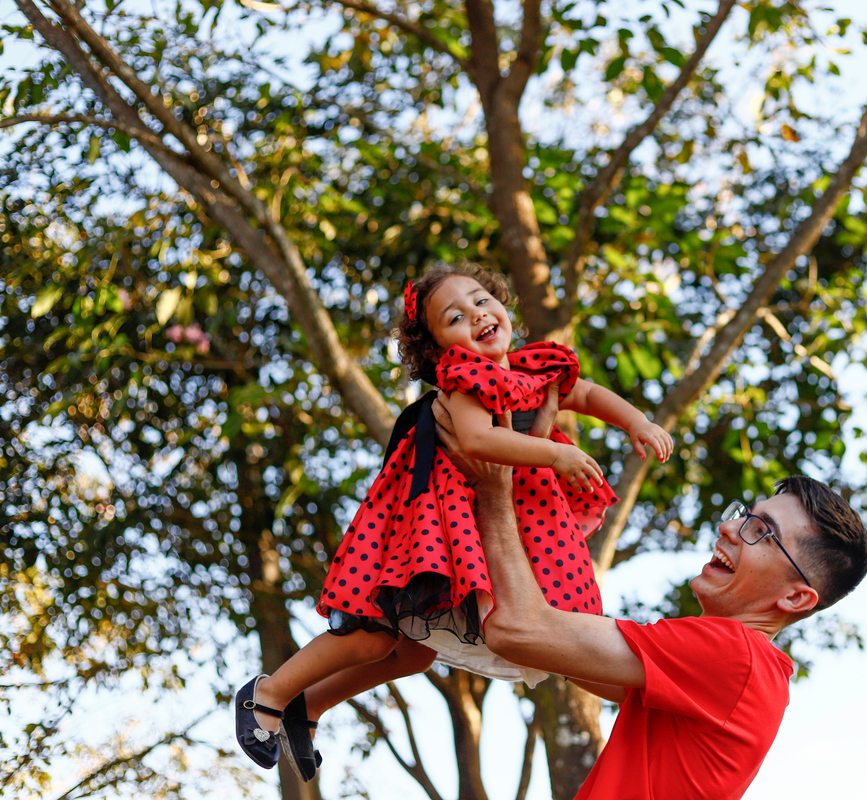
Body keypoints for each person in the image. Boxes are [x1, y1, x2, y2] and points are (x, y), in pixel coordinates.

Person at [234, 264, 673, 781]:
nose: (477, 315)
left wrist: (636, 421)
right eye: (456, 317)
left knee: (414, 653)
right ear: (438, 349)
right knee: (373, 635)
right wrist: (555, 455)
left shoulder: (532, 369)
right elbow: (479, 440)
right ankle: (267, 693)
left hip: (506, 530)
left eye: (482, 300)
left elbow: (588, 393)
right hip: (442, 530)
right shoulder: (466, 381)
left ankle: (307, 706)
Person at [433, 391, 867, 800]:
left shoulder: (737, 656)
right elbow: (557, 641)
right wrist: (531, 454)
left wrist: (495, 488)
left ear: (796, 599)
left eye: (760, 531)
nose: (728, 528)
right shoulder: (734, 675)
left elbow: (518, 630)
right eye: (744, 515)